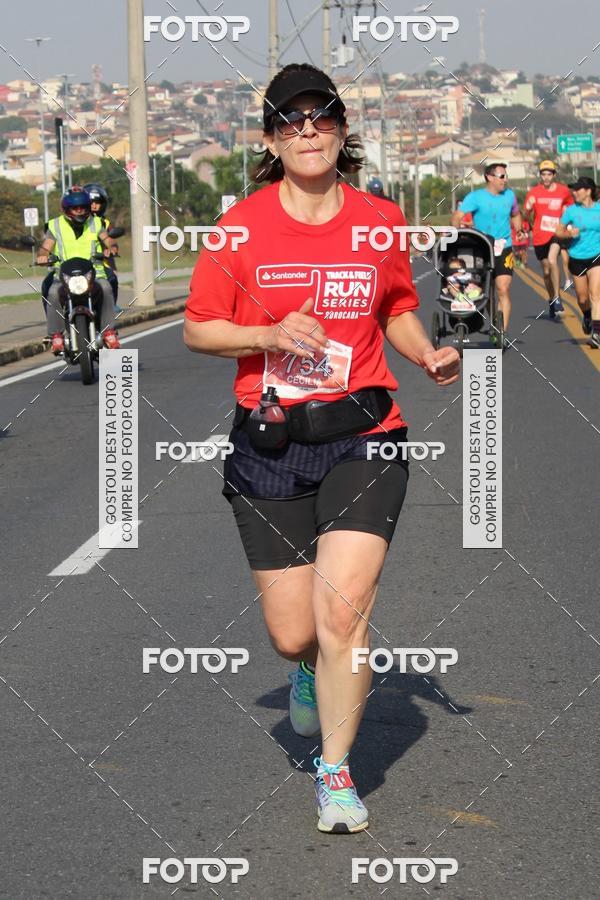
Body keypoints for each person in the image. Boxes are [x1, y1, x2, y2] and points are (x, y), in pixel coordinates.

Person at [184, 62, 460, 834]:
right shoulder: (240, 228)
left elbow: (396, 305)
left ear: (342, 129)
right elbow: (199, 329)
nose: (307, 130)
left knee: (342, 614)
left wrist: (425, 352)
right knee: (295, 633)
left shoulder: (378, 220)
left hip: (365, 435)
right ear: (271, 138)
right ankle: (307, 669)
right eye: (290, 120)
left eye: (322, 116)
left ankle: (335, 775)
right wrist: (268, 333)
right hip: (271, 444)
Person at [36, 186, 120, 353]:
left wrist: (112, 248)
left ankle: (109, 332)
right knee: (52, 292)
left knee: (106, 287)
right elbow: (45, 248)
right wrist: (42, 257)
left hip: (93, 273)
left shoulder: (96, 223)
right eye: (75, 208)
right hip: (64, 275)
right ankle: (56, 335)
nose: (79, 211)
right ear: (66, 209)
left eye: (83, 207)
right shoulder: (55, 225)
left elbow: (108, 240)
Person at [451, 162, 524, 337]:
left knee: (503, 288)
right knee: (485, 290)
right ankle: (494, 323)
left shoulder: (510, 196)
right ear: (490, 177)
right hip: (482, 247)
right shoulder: (475, 197)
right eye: (502, 176)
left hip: (504, 246)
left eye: (506, 176)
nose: (505, 180)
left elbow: (516, 214)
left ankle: (502, 332)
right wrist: (456, 233)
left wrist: (519, 229)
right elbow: (457, 216)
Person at [523, 161, 573, 319]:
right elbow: (526, 214)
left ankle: (557, 298)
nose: (546, 177)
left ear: (554, 175)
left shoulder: (563, 191)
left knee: (552, 261)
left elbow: (571, 206)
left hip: (556, 234)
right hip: (539, 236)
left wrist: (567, 222)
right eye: (543, 174)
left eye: (549, 174)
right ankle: (552, 299)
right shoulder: (534, 192)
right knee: (546, 272)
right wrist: (528, 214)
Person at [555, 176, 600, 346]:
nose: (574, 192)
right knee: (582, 299)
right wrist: (569, 233)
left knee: (595, 294)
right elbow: (558, 232)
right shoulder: (571, 211)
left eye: (578, 189)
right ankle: (587, 315)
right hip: (577, 257)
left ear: (588, 191)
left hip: (596, 256)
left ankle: (597, 334)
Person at [83, 183, 120, 303]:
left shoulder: (104, 223)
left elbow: (111, 241)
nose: (94, 205)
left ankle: (110, 306)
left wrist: (112, 249)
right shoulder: (74, 222)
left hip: (100, 263)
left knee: (112, 279)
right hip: (77, 263)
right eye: (91, 202)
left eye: (97, 202)